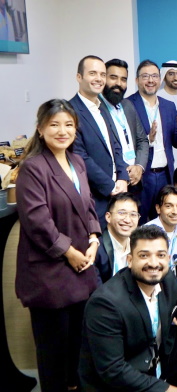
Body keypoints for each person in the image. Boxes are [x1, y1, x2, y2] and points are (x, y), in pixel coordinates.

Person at [15, 99, 101, 392]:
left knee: (78, 347)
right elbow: (37, 220)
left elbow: (88, 205)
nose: (62, 131)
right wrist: (69, 252)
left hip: (81, 268)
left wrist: (94, 238)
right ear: (40, 129)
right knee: (53, 353)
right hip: (50, 273)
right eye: (54, 125)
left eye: (68, 125)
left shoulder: (77, 162)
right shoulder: (32, 168)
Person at [79, 226, 177, 392]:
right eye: (144, 255)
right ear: (130, 260)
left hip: (153, 358)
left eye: (160, 255)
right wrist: (168, 390)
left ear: (168, 258)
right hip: (119, 379)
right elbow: (113, 370)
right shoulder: (105, 303)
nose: (153, 263)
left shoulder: (166, 279)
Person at [127, 60, 177, 218]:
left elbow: (176, 142)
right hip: (141, 176)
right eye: (145, 76)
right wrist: (147, 139)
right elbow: (124, 142)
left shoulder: (168, 106)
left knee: (164, 220)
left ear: (159, 79)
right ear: (137, 80)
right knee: (139, 221)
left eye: (154, 76)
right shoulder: (128, 105)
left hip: (165, 175)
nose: (150, 80)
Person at [68, 55, 129, 225]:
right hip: (94, 197)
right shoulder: (70, 111)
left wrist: (123, 177)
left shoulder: (102, 108)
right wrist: (110, 186)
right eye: (92, 73)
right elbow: (79, 156)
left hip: (116, 193)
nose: (99, 79)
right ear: (79, 77)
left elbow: (115, 146)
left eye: (103, 74)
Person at [103, 58, 148, 195]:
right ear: (103, 78)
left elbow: (142, 140)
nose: (118, 83)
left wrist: (139, 167)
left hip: (134, 182)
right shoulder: (96, 109)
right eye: (113, 77)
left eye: (123, 79)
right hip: (112, 184)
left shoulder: (128, 105)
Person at [95, 192, 140, 283]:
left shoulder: (139, 246)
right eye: (121, 213)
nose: (127, 220)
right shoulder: (96, 249)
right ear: (108, 217)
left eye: (133, 214)